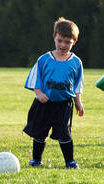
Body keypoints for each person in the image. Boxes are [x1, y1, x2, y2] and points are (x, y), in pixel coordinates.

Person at [23, 17, 84, 169]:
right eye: (60, 40)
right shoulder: (44, 59)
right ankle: (36, 160)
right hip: (44, 104)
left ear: (74, 42)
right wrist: (38, 93)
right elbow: (34, 78)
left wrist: (78, 103)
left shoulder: (76, 62)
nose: (63, 45)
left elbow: (77, 85)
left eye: (67, 42)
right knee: (39, 133)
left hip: (64, 105)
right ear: (54, 37)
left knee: (64, 133)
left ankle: (70, 161)